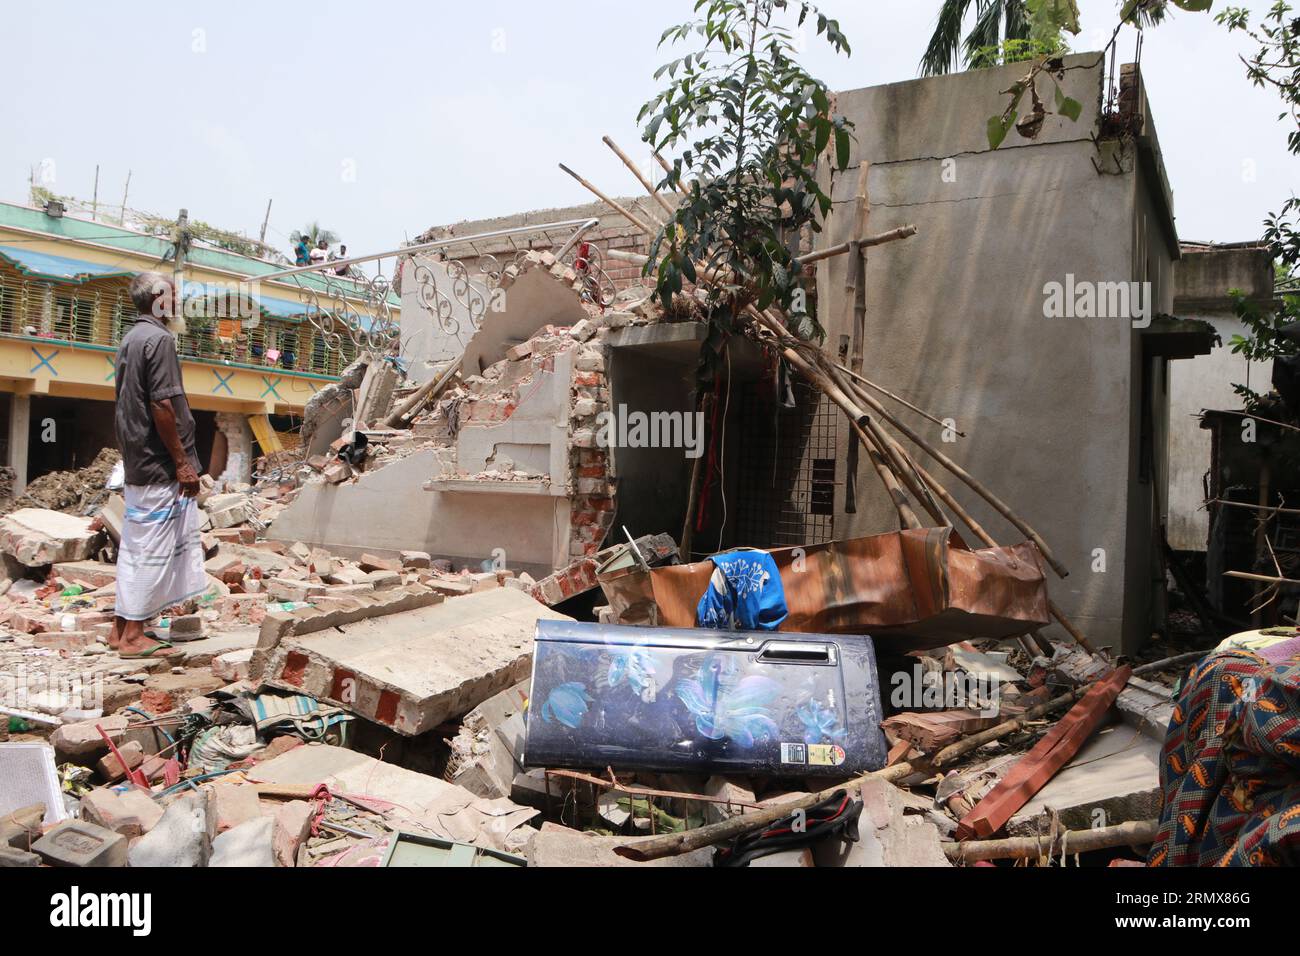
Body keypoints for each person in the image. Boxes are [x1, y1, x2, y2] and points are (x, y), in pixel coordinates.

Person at [108, 272, 206, 659]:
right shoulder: (160, 340)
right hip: (160, 463)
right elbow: (162, 405)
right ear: (159, 300)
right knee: (152, 551)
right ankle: (134, 637)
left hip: (138, 462)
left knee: (135, 547)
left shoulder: (131, 338)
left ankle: (120, 630)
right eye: (175, 295)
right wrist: (182, 462)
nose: (179, 302)